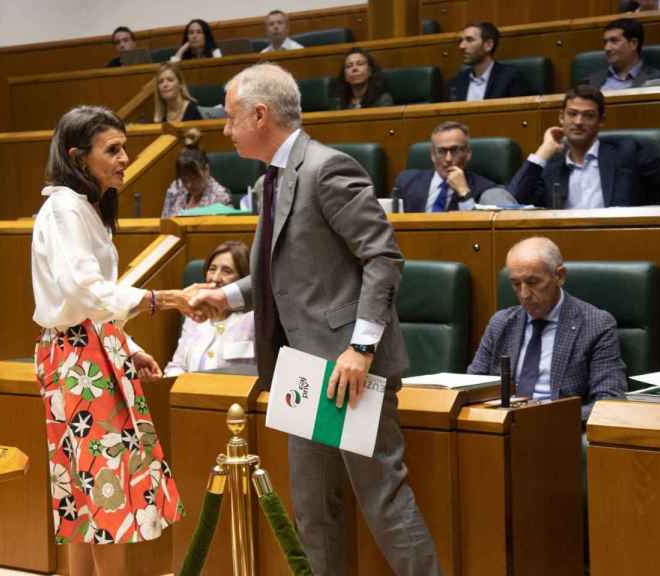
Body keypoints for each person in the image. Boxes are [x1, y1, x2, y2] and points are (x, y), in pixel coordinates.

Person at [189, 63, 442, 576]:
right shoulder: (275, 177)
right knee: (312, 510)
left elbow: (383, 258)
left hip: (349, 368)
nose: (225, 128)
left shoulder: (327, 168)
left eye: (232, 116)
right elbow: (281, 273)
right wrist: (226, 298)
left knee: (383, 503)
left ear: (260, 115)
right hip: (303, 369)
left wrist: (362, 348)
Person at [31, 105, 187, 575]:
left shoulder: (83, 207)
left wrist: (128, 345)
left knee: (86, 488)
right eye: (112, 150)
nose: (124, 158)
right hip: (78, 356)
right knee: (104, 485)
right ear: (79, 157)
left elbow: (87, 303)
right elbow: (82, 291)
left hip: (88, 348)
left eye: (124, 148)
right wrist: (158, 299)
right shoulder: (64, 208)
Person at [468, 237, 627, 421]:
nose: (524, 294)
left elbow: (609, 400)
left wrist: (547, 418)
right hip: (502, 428)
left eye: (533, 282)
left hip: (558, 430)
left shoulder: (596, 324)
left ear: (559, 276)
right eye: (516, 284)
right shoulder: (501, 323)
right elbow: (472, 387)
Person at [507, 85, 660, 208]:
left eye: (588, 115)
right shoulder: (551, 165)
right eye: (572, 114)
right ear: (561, 118)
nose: (578, 122)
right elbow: (512, 202)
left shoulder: (627, 152)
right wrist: (543, 152)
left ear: (601, 121)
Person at [165, 241, 255, 376]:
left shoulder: (254, 318)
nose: (216, 278)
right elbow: (178, 365)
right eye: (212, 269)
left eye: (227, 271)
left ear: (242, 279)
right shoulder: (195, 316)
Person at [394, 121, 497, 212]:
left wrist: (464, 192)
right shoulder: (406, 182)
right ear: (432, 155)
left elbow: (478, 229)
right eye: (441, 151)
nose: (448, 159)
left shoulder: (485, 189)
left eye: (455, 150)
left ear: (468, 153)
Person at [445, 21, 535, 101]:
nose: (461, 46)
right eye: (461, 41)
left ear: (488, 45)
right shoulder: (456, 82)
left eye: (469, 40)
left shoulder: (510, 78)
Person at [161, 129, 231, 217]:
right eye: (184, 179)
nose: (189, 184)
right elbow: (164, 224)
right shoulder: (175, 189)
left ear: (206, 170)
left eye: (194, 178)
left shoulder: (221, 198)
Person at [582, 18, 660, 90]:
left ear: (633, 44)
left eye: (614, 41)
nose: (607, 48)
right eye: (605, 42)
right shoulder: (588, 82)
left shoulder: (658, 80)